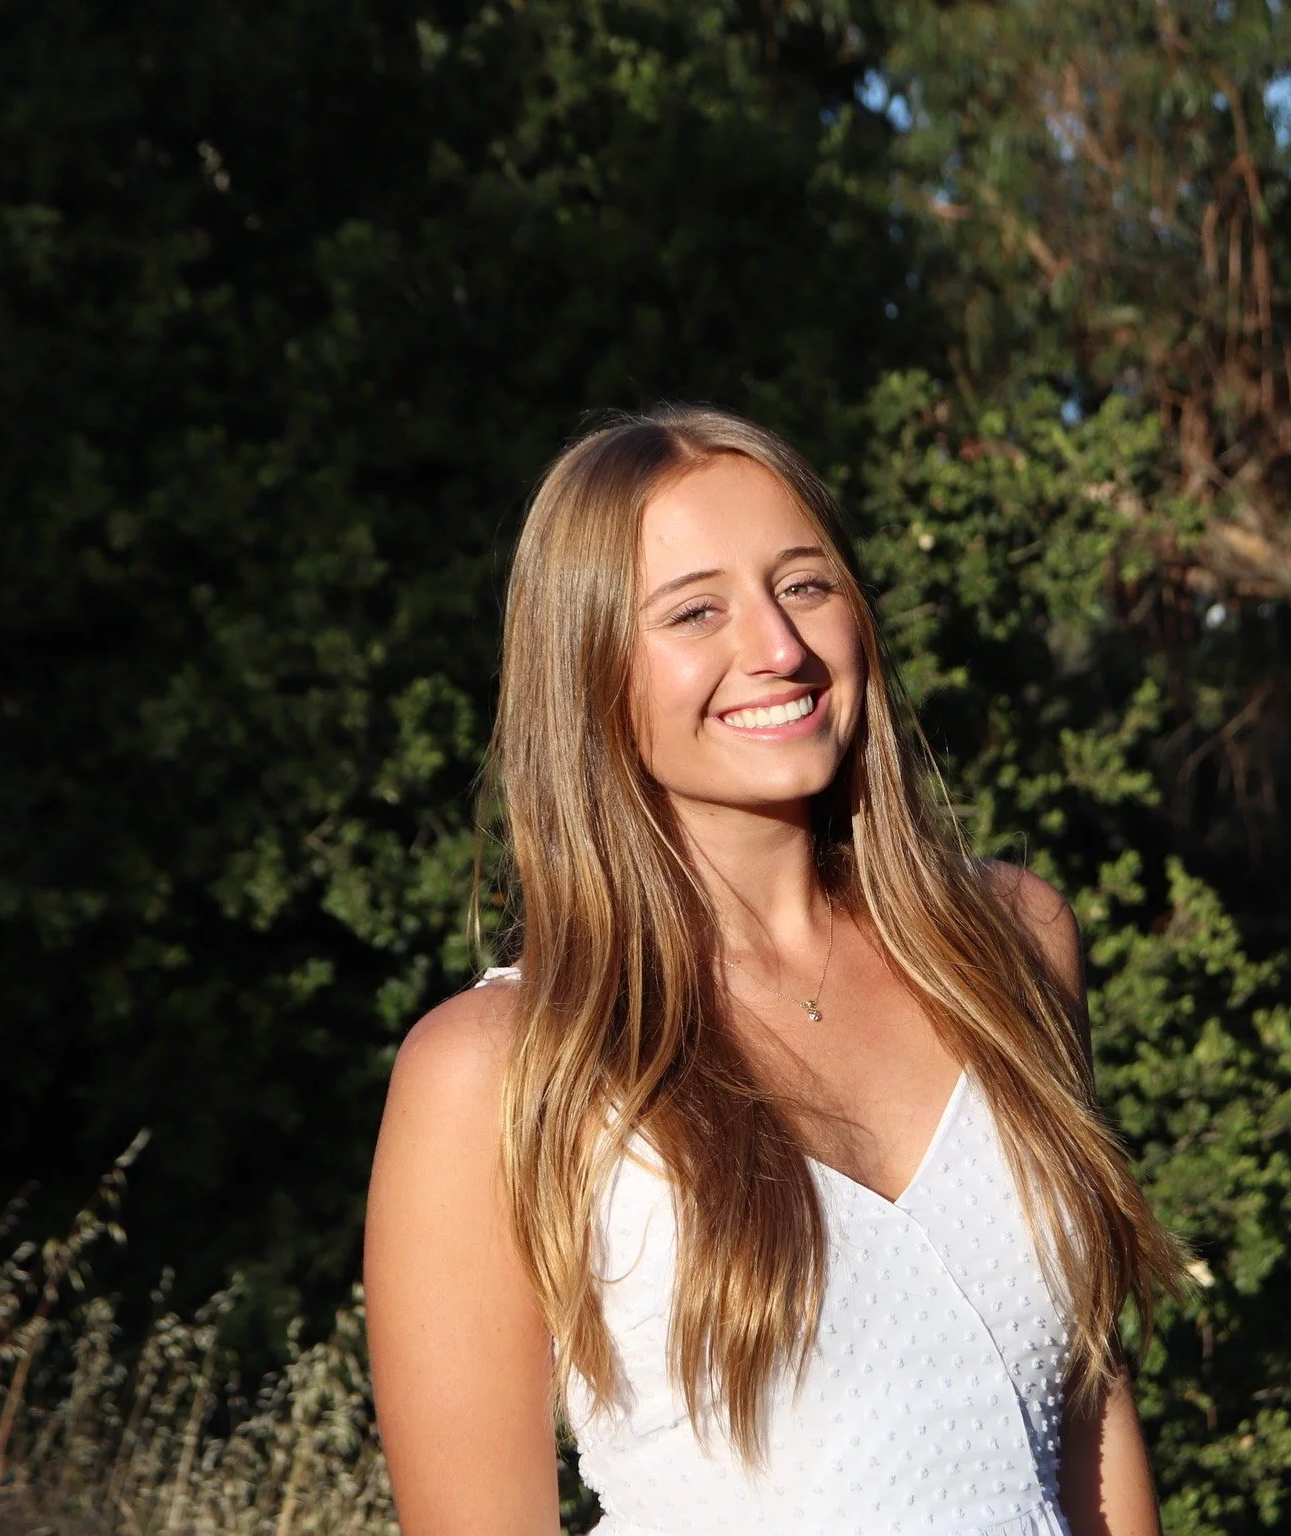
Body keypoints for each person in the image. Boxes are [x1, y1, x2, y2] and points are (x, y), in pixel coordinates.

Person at [363, 405, 1184, 1535]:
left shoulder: (1008, 943)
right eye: (695, 610)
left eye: (804, 585)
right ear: (586, 666)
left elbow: (1087, 1402)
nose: (780, 649)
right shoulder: (494, 1068)